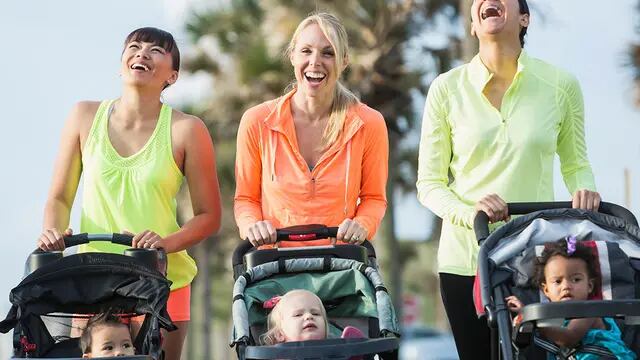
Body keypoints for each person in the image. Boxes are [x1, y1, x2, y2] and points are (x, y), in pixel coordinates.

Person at [416, 0, 600, 358]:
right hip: (465, 261)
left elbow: (577, 163)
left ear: (524, 18)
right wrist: (470, 212)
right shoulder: (446, 89)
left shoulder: (561, 85)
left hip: (533, 262)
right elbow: (430, 184)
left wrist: (585, 190)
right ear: (473, 24)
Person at [36, 27, 222, 359]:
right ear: (121, 64)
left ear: (173, 76)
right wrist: (52, 231)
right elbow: (60, 197)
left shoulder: (187, 130)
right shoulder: (83, 116)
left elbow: (208, 216)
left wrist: (164, 243)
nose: (142, 53)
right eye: (134, 47)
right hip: (94, 279)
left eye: (156, 51)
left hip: (164, 281)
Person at [234, 12, 388, 248]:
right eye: (306, 51)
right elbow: (245, 199)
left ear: (344, 61)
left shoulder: (369, 123)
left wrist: (363, 224)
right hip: (273, 263)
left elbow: (374, 198)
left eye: (328, 53)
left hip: (341, 264)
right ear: (292, 56)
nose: (315, 62)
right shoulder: (257, 121)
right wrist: (252, 225)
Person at [506, 237, 636, 359]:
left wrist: (536, 322)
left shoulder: (590, 310)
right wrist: (526, 313)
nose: (566, 286)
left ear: (589, 286)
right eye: (557, 281)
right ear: (546, 290)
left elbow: (569, 338)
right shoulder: (550, 317)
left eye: (576, 279)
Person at [261, 289, 329, 345]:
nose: (309, 316)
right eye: (298, 315)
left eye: (315, 314)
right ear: (280, 334)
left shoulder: (336, 350)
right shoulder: (279, 356)